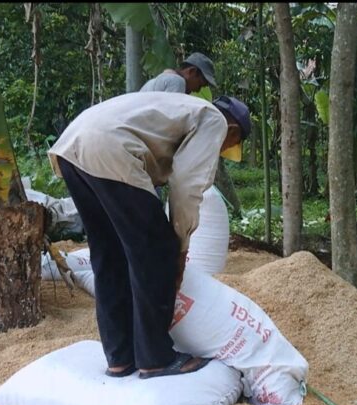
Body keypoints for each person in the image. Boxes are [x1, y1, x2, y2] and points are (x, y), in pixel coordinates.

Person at [47, 92, 251, 379]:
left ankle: (120, 357)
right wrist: (178, 247)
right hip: (109, 149)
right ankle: (155, 357)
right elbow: (186, 185)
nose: (222, 152)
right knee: (156, 250)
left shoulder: (178, 108)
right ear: (233, 131)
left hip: (71, 147)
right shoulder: (214, 120)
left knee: (109, 254)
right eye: (230, 146)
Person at [140, 52, 217, 94]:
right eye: (199, 84)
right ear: (192, 71)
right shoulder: (177, 82)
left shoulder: (166, 78)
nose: (198, 90)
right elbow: (171, 117)